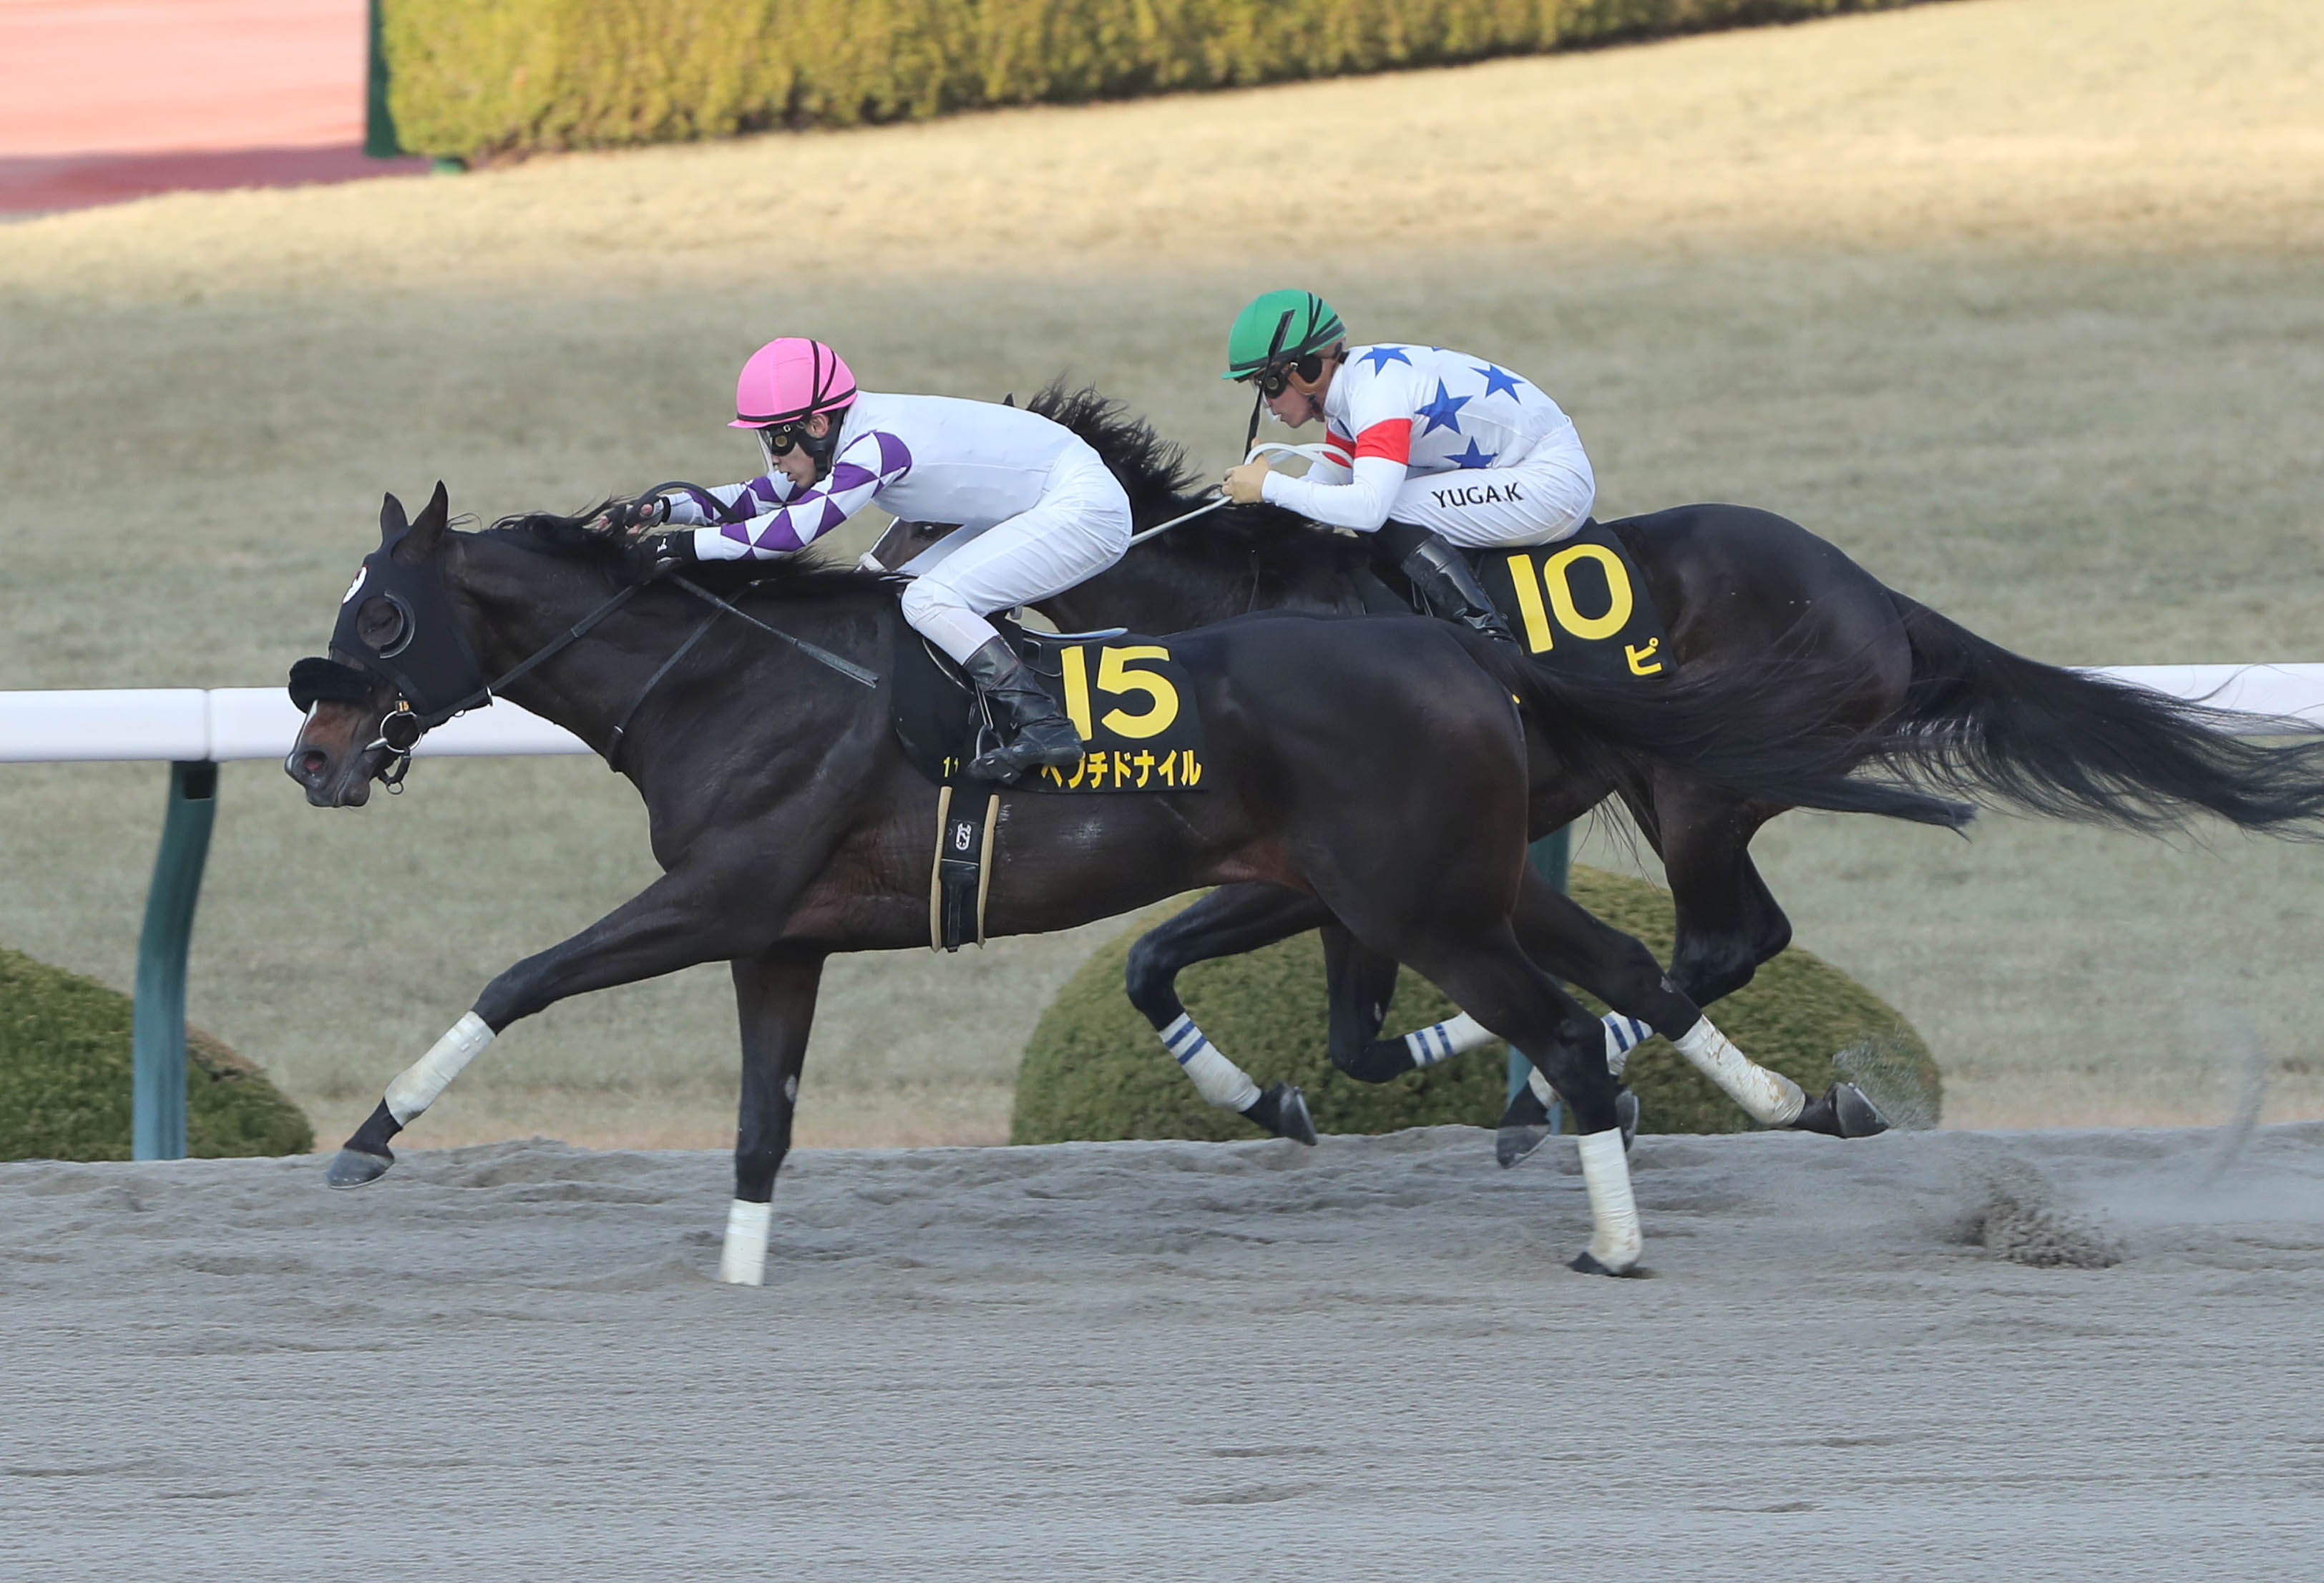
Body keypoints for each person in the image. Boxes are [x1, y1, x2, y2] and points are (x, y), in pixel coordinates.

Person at [613, 338, 1133, 784]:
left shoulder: (879, 444)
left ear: (818, 422)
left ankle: (1045, 726)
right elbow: (764, 494)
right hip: (1040, 499)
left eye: (778, 438)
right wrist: (664, 508)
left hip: (1085, 508)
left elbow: (790, 534)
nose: (774, 455)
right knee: (903, 589)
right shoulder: (845, 434)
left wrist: (676, 547)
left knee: (929, 599)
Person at [1217, 289, 1598, 642]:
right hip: (1522, 472)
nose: (1268, 406)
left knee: (1387, 508)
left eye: (1268, 385)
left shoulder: (1376, 395)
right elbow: (1326, 486)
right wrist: (1261, 510)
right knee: (1378, 501)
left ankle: (1490, 641)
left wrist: (1271, 487)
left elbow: (1367, 509)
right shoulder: (1348, 397)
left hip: (1552, 482)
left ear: (1307, 371)